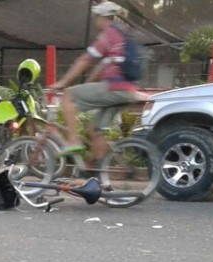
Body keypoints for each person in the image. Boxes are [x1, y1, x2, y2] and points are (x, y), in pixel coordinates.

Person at [48, 1, 142, 163]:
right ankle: (96, 170)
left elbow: (85, 59)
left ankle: (73, 140)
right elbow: (101, 67)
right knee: (95, 131)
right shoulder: (123, 34)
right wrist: (89, 85)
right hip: (127, 90)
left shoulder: (109, 34)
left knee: (68, 95)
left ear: (104, 17)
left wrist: (62, 83)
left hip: (114, 87)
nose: (96, 20)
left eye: (97, 17)